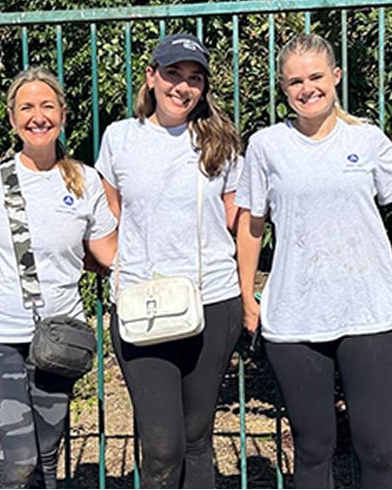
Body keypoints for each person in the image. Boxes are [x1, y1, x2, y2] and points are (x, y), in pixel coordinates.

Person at [236, 33, 392, 489]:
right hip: (295, 319)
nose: (307, 88)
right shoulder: (266, 146)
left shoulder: (366, 139)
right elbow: (251, 226)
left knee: (378, 450)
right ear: (283, 89)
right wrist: (248, 297)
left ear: (336, 76)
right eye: (295, 81)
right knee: (312, 448)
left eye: (316, 77)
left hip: (368, 313)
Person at [0, 67, 117, 488]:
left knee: (46, 458)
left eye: (47, 105)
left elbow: (107, 251)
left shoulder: (86, 180)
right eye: (26, 107)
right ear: (11, 118)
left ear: (63, 114)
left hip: (57, 336)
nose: (38, 115)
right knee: (20, 458)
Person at [96, 33, 243, 488]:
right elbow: (112, 214)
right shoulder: (121, 137)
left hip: (212, 300)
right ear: (151, 77)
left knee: (198, 438)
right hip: (142, 304)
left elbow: (232, 217)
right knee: (162, 445)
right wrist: (132, 264)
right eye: (173, 74)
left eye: (194, 78)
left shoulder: (220, 141)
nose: (182, 87)